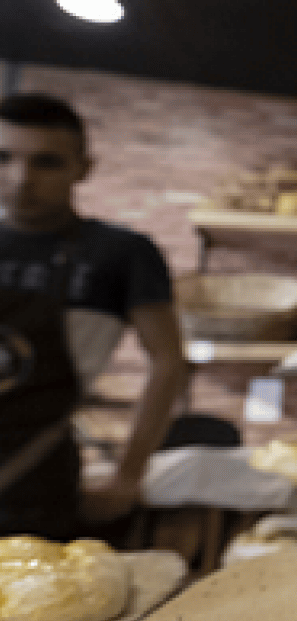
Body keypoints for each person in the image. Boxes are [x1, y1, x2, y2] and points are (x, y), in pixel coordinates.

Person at [0, 93, 190, 540]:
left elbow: (168, 361)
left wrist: (129, 473)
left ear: (82, 169)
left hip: (34, 474)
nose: (20, 179)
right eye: (3, 157)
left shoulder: (121, 254)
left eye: (46, 163)